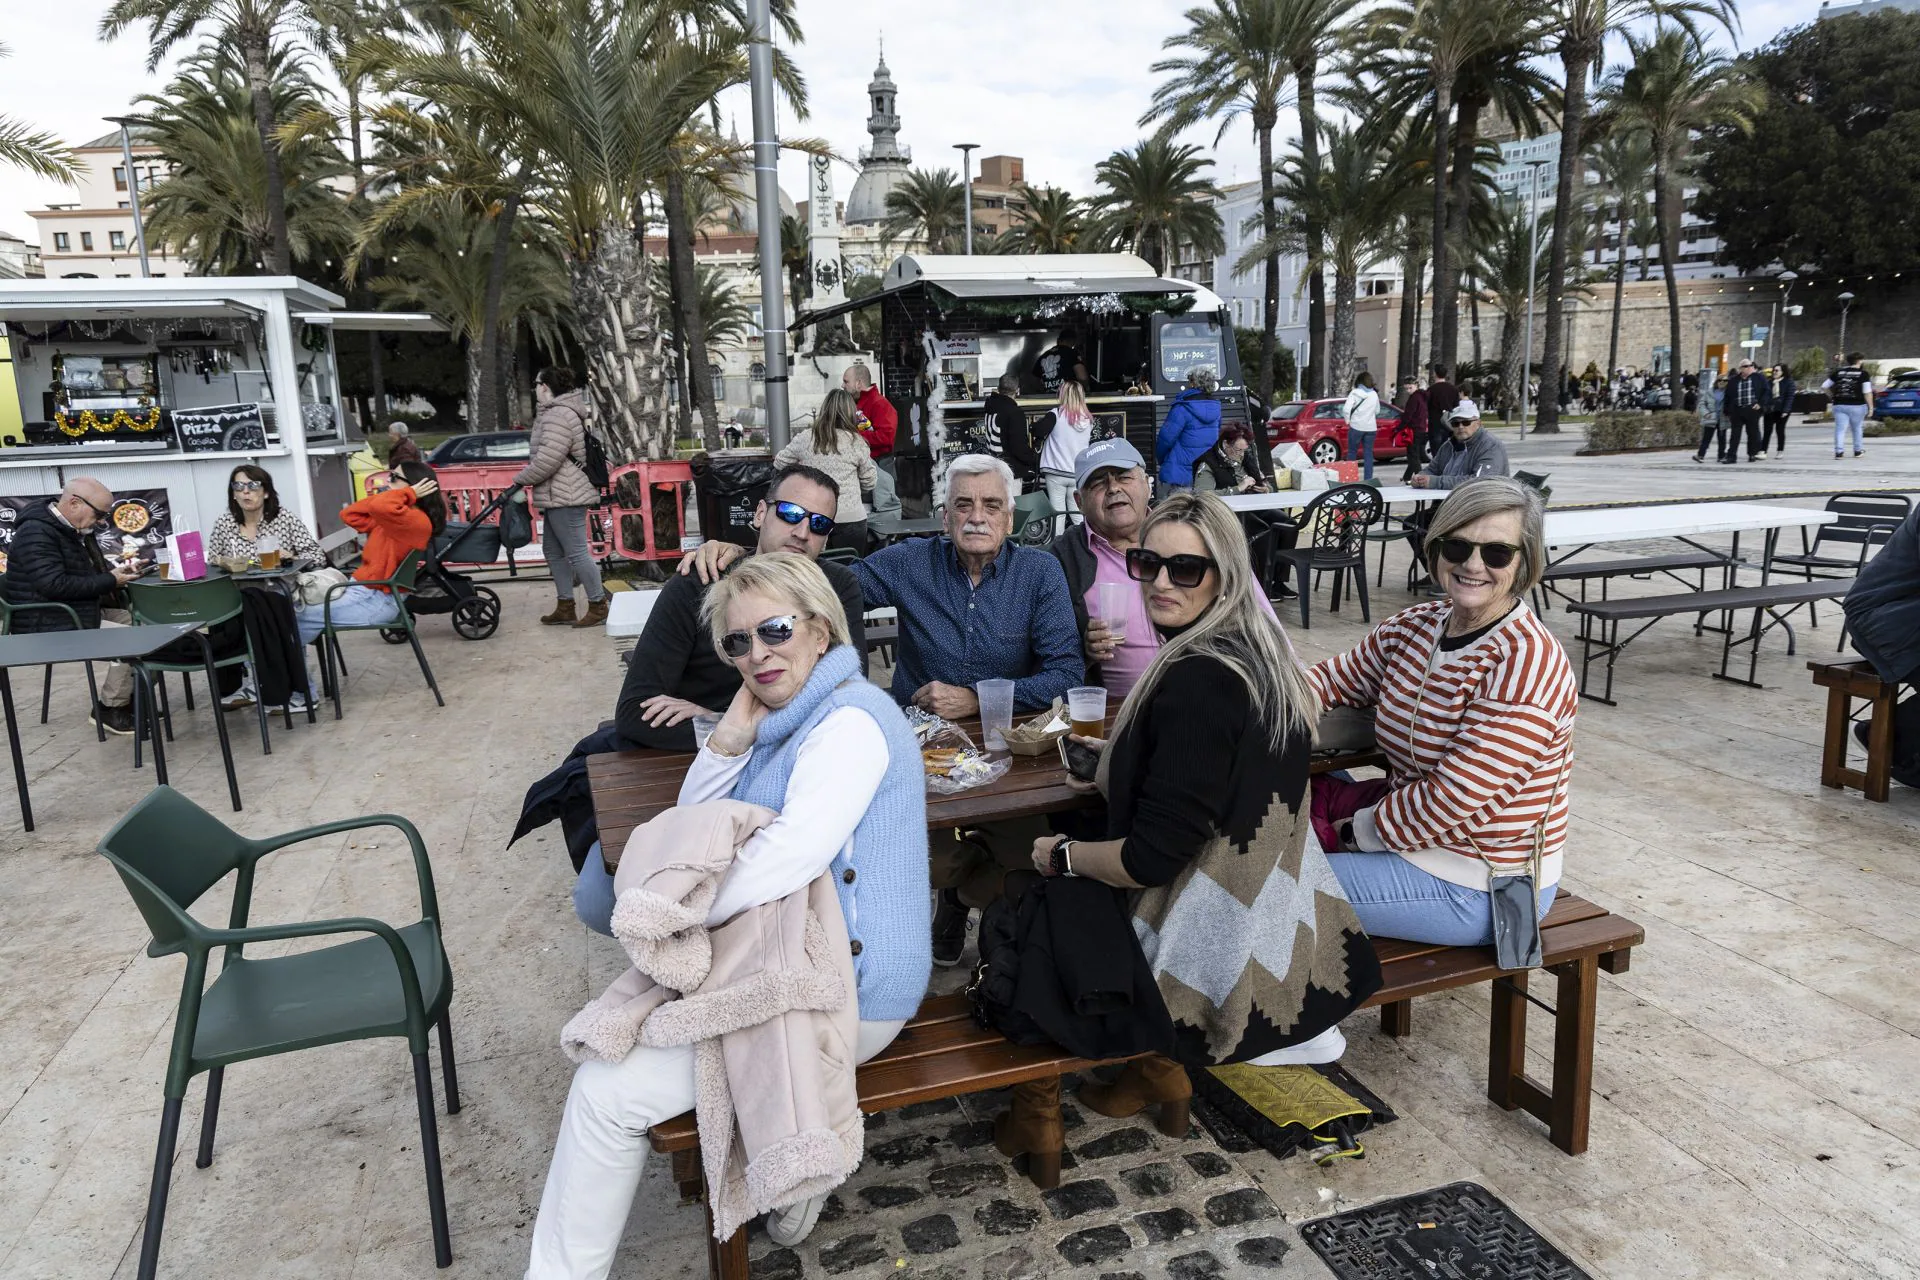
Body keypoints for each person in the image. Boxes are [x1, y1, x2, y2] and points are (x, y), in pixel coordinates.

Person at [525, 553, 932, 1272]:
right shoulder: (790, 713)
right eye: (736, 643)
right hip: (791, 960)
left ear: (821, 627)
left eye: (773, 630)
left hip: (848, 988)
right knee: (627, 1055)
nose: (756, 654)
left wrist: (674, 914)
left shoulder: (850, 723)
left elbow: (788, 855)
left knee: (604, 1094)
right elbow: (697, 821)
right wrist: (730, 734)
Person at [989, 493, 1381, 1165]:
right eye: (1148, 563)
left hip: (1207, 946)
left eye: (1185, 569)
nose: (1161, 582)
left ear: (1225, 576)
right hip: (1277, 919)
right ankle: (1154, 1075)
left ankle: (1038, 1113)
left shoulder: (1198, 681)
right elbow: (1216, 789)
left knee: (1019, 910)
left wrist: (1063, 857)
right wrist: (1116, 771)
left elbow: (1148, 860)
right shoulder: (1261, 659)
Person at [1311, 477, 1578, 946]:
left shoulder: (1526, 660)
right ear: (1435, 550)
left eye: (1497, 553)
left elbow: (1451, 799)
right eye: (1457, 547)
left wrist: (1356, 832)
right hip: (1409, 840)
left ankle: (1307, 1018)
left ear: (1525, 563)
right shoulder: (1417, 626)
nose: (1473, 564)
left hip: (1481, 879)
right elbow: (1330, 679)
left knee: (1268, 883)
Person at [682, 453, 1079, 718]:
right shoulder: (909, 562)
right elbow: (819, 588)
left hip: (1007, 736)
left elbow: (1067, 675)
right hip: (917, 737)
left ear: (1009, 520)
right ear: (945, 518)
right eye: (963, 505)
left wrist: (978, 699)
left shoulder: (1039, 572)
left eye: (991, 506)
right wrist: (749, 557)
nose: (977, 517)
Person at [2, 478, 160, 735]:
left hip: (74, 610)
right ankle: (111, 709)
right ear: (74, 503)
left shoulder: (66, 528)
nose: (101, 521)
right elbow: (54, 585)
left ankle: (132, 699)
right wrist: (111, 579)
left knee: (152, 624)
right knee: (135, 637)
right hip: (47, 621)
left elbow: (78, 576)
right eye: (99, 514)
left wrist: (117, 574)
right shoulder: (36, 532)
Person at [293, 461, 441, 660]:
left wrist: (408, 494)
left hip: (376, 599)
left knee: (295, 618)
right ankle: (292, 681)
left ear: (413, 485)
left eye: (394, 478)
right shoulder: (393, 517)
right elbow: (350, 514)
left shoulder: (413, 520)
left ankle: (294, 686)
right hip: (364, 592)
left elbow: (379, 505)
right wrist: (401, 494)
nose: (388, 481)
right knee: (292, 616)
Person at [516, 367, 609, 629]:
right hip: (558, 493)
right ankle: (565, 604)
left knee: (577, 552)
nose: (535, 388)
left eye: (536, 383)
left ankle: (598, 604)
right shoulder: (556, 413)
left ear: (545, 386)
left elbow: (548, 458)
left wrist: (520, 479)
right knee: (553, 551)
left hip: (567, 493)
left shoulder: (558, 415)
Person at [775, 390, 876, 553]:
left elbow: (780, 462)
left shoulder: (806, 438)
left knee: (813, 572)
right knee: (850, 570)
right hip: (851, 519)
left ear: (825, 409)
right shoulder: (857, 442)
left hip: (813, 518)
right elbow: (870, 481)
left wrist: (801, 476)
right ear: (851, 412)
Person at [206, 465, 324, 566]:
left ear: (266, 493)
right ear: (233, 494)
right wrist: (228, 563)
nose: (245, 491)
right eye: (238, 486)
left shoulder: (284, 518)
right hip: (237, 588)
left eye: (253, 485)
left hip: (278, 587)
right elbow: (212, 563)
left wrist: (292, 558)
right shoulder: (224, 523)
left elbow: (318, 556)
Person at [1035, 380, 1096, 533]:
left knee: (1058, 514)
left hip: (1056, 472)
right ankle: (1082, 544)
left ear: (1062, 395)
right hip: (1076, 473)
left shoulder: (1055, 415)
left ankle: (1058, 550)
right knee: (1077, 514)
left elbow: (1038, 431)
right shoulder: (1088, 420)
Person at [1409, 399, 1509, 491]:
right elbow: (1432, 469)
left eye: (1466, 422)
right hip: (1449, 505)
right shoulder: (1448, 446)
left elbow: (1480, 482)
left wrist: (1435, 482)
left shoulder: (1490, 446)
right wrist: (1420, 478)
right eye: (1455, 424)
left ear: (1478, 423)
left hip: (1482, 507)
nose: (1460, 427)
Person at [1154, 366, 1223, 495]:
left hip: (1181, 474)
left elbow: (1165, 439)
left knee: (1179, 512)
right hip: (1206, 472)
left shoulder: (1183, 407)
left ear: (1193, 383)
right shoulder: (1216, 408)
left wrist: (1162, 459)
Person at [844, 362, 899, 517]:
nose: (843, 385)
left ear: (859, 383)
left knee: (879, 513)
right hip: (863, 468)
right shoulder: (857, 404)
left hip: (880, 468)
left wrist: (853, 437)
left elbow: (886, 438)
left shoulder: (881, 405)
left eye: (846, 381)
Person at [983, 373, 1040, 486]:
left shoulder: (990, 406)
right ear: (1017, 390)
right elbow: (1019, 447)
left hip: (993, 468)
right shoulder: (1014, 413)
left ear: (999, 389)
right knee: (1012, 503)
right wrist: (1035, 460)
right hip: (1010, 471)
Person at [1721, 358, 1772, 463]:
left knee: (1752, 433)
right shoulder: (1734, 380)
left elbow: (1766, 392)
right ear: (1740, 368)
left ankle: (1752, 454)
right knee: (1735, 435)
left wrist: (1760, 404)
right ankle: (1731, 456)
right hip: (1737, 410)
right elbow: (1728, 396)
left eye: (1750, 365)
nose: (1749, 368)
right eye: (1746, 366)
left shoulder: (1759, 378)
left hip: (1752, 409)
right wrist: (1727, 410)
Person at [1192, 424, 1265, 495]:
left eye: (1245, 450)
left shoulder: (1246, 456)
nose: (1242, 454)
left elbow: (1264, 483)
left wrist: (1266, 489)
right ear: (1226, 443)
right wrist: (1238, 489)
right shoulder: (1208, 463)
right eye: (1238, 450)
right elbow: (1202, 495)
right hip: (1223, 506)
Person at [1825, 352, 1873, 459]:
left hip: (1839, 404)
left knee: (1840, 429)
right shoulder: (1863, 374)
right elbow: (1867, 392)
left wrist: (1832, 397)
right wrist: (1871, 407)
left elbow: (1824, 386)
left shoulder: (1838, 372)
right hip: (1857, 405)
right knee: (1857, 428)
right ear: (1859, 361)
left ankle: (1839, 452)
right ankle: (1857, 451)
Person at [1342, 371, 1381, 481]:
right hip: (1371, 428)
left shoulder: (1355, 393)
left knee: (1352, 452)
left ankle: (1350, 478)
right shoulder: (1374, 394)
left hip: (1356, 427)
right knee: (1368, 454)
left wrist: (1348, 421)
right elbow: (1377, 411)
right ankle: (1368, 479)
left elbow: (1346, 409)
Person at [1033, 326, 1090, 393]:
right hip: (1068, 397)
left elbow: (1034, 382)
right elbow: (1082, 377)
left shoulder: (1044, 356)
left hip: (1048, 398)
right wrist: (1085, 389)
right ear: (1073, 341)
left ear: (1058, 340)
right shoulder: (1072, 353)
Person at [1399, 376, 1431, 482]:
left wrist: (1399, 427)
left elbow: (1408, 415)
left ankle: (1420, 477)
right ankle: (1406, 477)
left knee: (1413, 455)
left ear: (1416, 385)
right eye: (1406, 388)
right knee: (1414, 454)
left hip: (1414, 429)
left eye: (1410, 388)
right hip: (1421, 428)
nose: (1408, 390)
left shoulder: (1414, 398)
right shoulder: (1422, 396)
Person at [1765, 365, 1797, 455]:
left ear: (1782, 372)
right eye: (1773, 370)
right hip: (1770, 409)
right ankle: (1763, 450)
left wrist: (1786, 410)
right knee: (1767, 430)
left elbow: (1790, 397)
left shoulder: (1788, 382)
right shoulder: (1769, 382)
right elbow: (1766, 395)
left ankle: (1780, 450)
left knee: (1780, 430)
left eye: (1777, 370)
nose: (1774, 372)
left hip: (1782, 410)